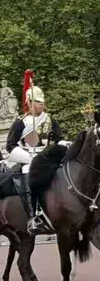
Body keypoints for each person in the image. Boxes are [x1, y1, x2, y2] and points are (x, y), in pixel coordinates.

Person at [5, 70, 63, 235]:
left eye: (42, 102)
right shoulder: (20, 122)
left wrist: (63, 145)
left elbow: (58, 139)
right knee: (28, 179)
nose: (42, 105)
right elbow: (10, 145)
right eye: (38, 102)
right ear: (29, 102)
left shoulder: (50, 119)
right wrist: (29, 157)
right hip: (28, 157)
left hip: (49, 156)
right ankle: (33, 217)